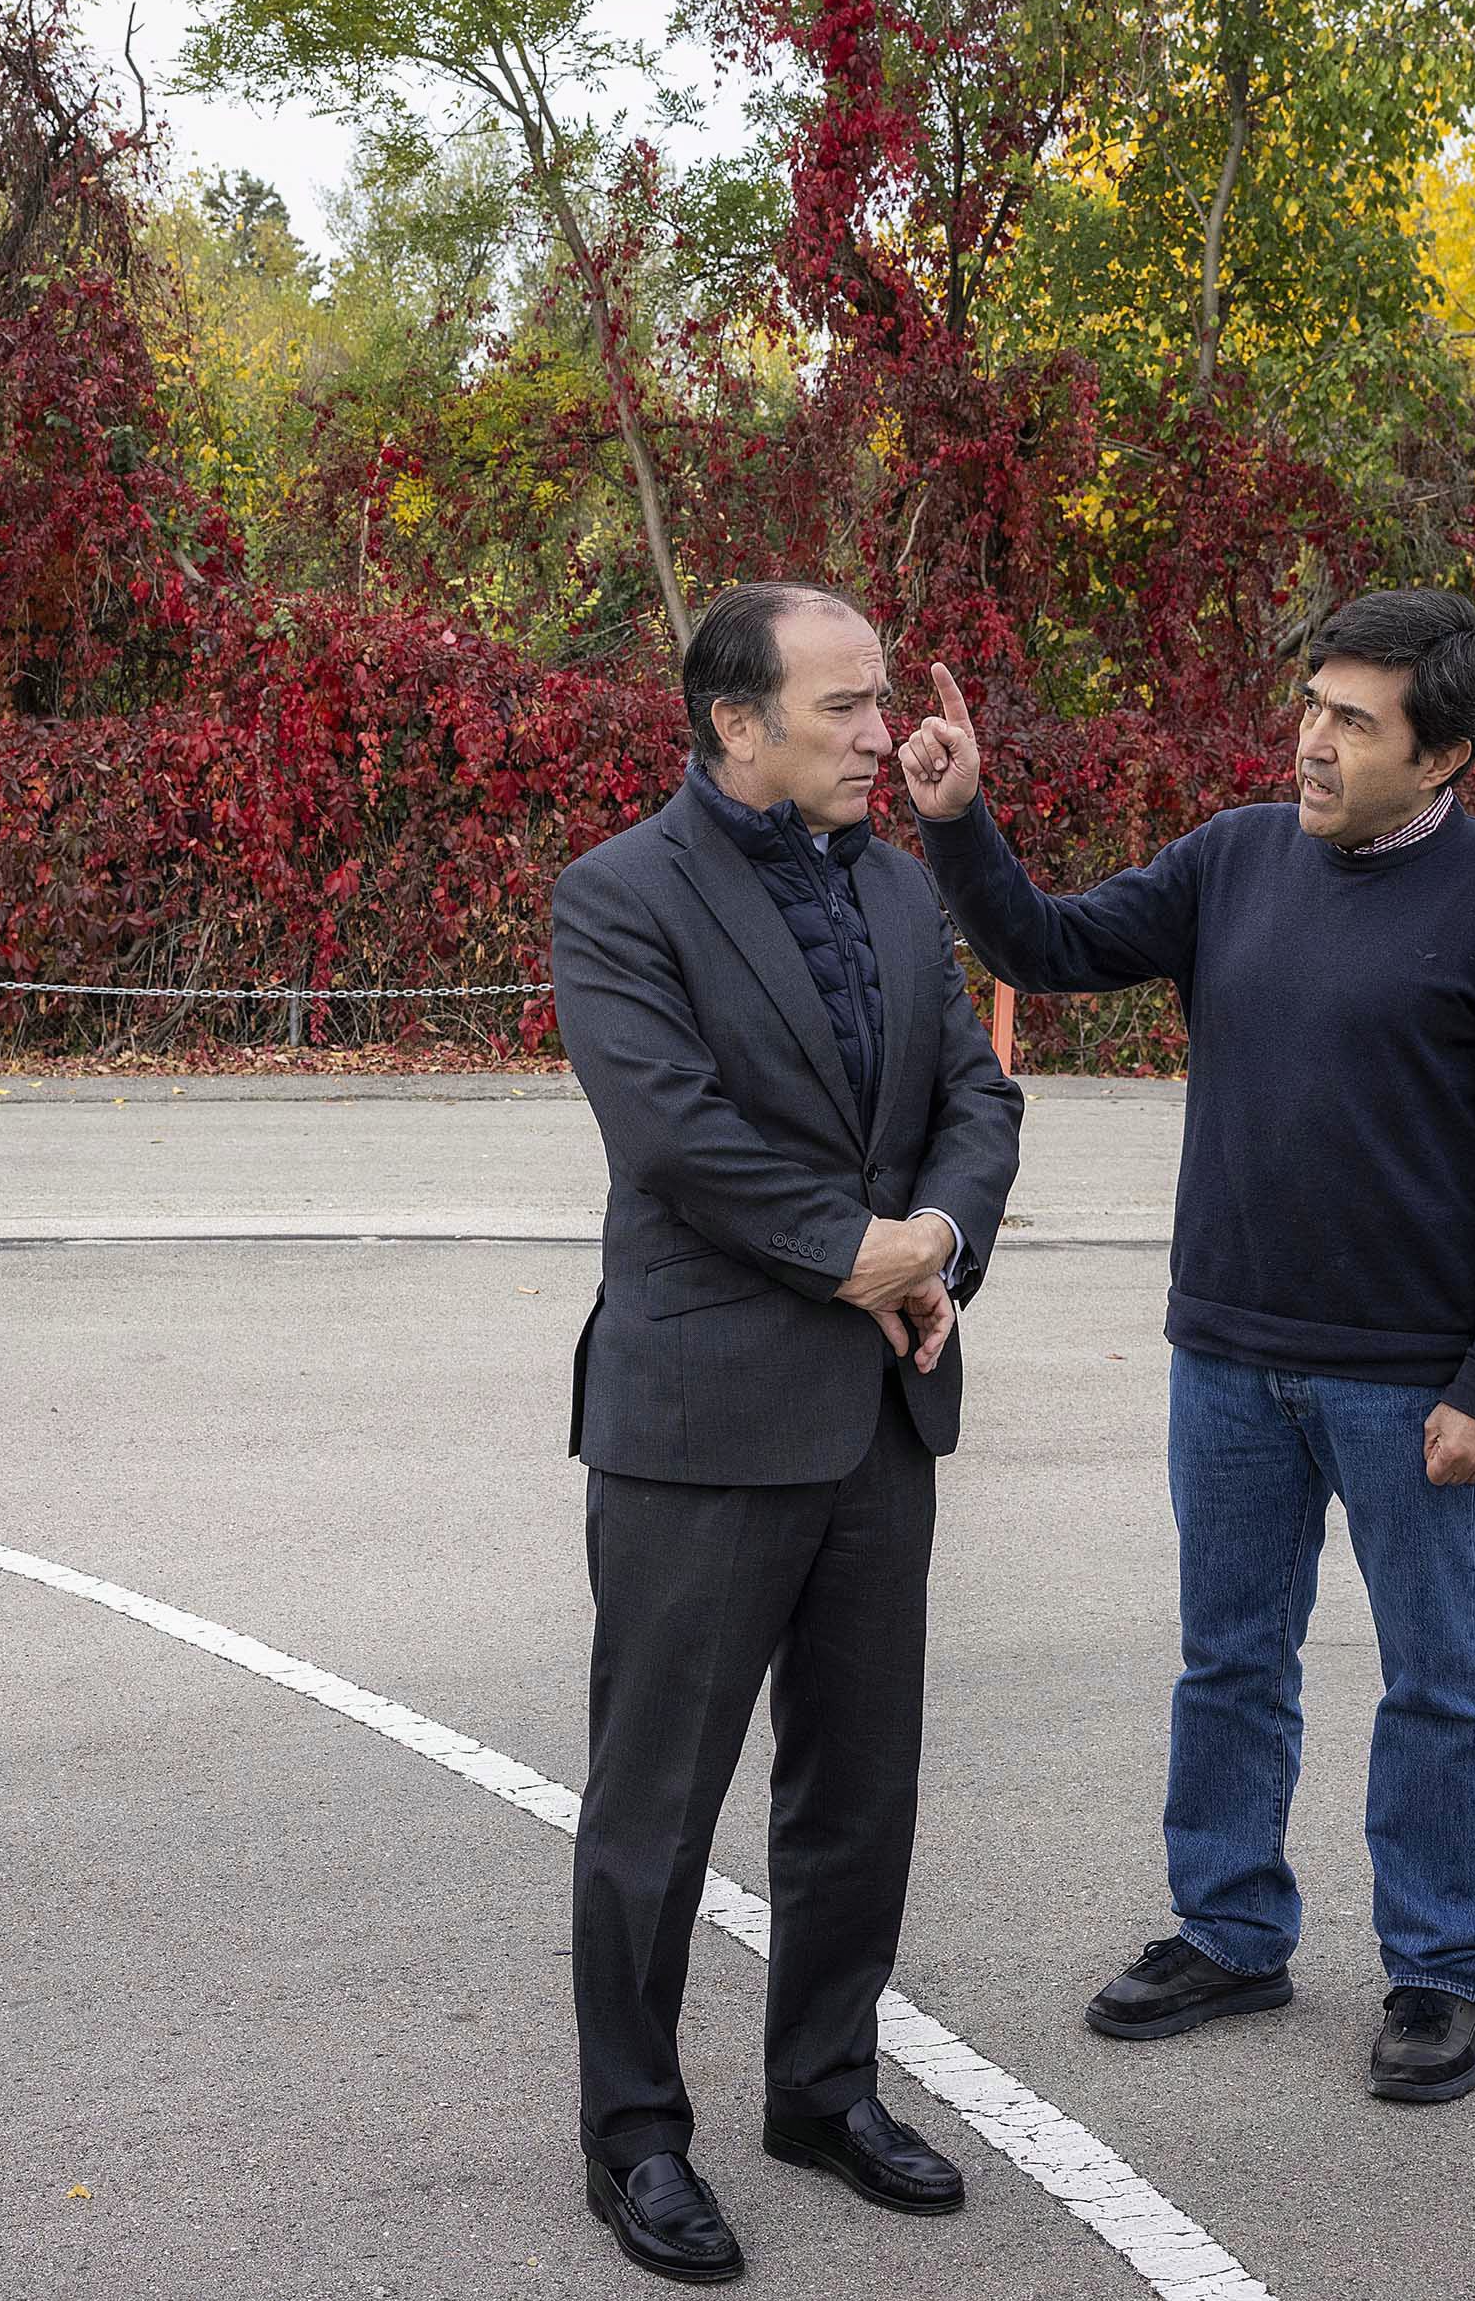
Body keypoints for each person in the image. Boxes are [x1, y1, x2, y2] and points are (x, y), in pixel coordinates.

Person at [895, 587, 1475, 2106]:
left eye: (1355, 722)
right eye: (1312, 707)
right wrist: (958, 822)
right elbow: (1047, 945)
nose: (1314, 743)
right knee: (1230, 1663)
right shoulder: (1233, 857)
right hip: (1226, 1356)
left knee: (1439, 1684)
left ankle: (1440, 1970)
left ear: (1445, 753)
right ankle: (1231, 1930)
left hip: (1414, 1377)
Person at [550, 581, 1025, 2287]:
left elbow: (976, 1095)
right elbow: (675, 1138)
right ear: (735, 723)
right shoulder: (621, 895)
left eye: (879, 700)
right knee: (657, 1809)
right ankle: (634, 2136)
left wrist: (939, 1238)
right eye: (845, 707)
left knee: (858, 1792)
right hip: (702, 1420)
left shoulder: (895, 886)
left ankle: (824, 2093)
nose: (882, 734)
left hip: (881, 1412)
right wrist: (865, 1255)